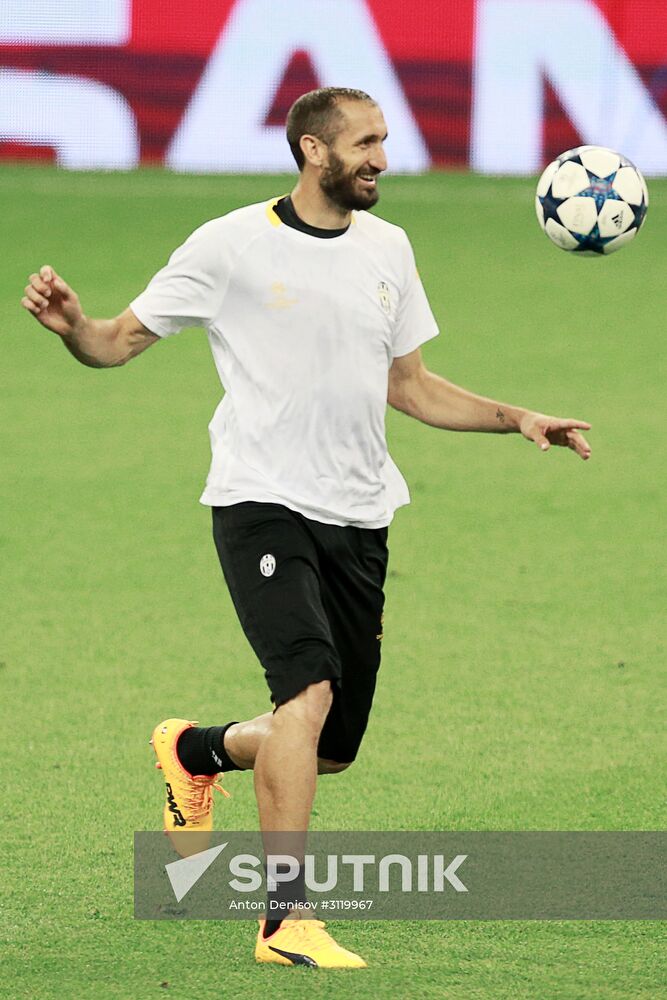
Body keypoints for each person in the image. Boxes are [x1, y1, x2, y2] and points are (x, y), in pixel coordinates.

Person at [22, 87, 591, 969]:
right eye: (364, 143)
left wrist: (518, 417)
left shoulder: (388, 248)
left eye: (384, 141)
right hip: (259, 500)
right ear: (311, 151)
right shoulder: (230, 244)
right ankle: (284, 919)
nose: (381, 158)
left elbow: (409, 384)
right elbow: (114, 343)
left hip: (360, 512)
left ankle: (195, 749)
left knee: (324, 749)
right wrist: (74, 328)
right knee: (307, 691)